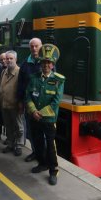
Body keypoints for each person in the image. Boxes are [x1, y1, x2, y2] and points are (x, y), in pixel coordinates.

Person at [25, 44, 65, 185]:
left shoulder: (59, 80)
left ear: (53, 65)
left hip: (48, 119)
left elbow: (56, 102)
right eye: (43, 62)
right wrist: (33, 111)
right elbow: (28, 96)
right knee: (38, 142)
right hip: (35, 117)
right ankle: (42, 164)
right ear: (40, 64)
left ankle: (53, 170)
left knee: (51, 145)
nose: (46, 65)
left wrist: (40, 114)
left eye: (48, 63)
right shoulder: (34, 78)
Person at [17, 37, 42, 162]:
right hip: (29, 103)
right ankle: (35, 152)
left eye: (36, 46)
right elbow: (21, 84)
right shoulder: (24, 64)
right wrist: (21, 101)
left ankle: (44, 157)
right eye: (32, 46)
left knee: (43, 132)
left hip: (42, 104)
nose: (34, 48)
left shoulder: (46, 62)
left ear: (41, 47)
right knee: (31, 131)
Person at [0, 50, 23, 157]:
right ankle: (10, 144)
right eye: (7, 58)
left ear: (16, 59)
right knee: (8, 126)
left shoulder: (20, 72)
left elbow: (22, 90)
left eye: (11, 58)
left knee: (18, 126)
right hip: (4, 104)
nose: (8, 60)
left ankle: (18, 145)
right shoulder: (4, 72)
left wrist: (21, 103)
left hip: (15, 105)